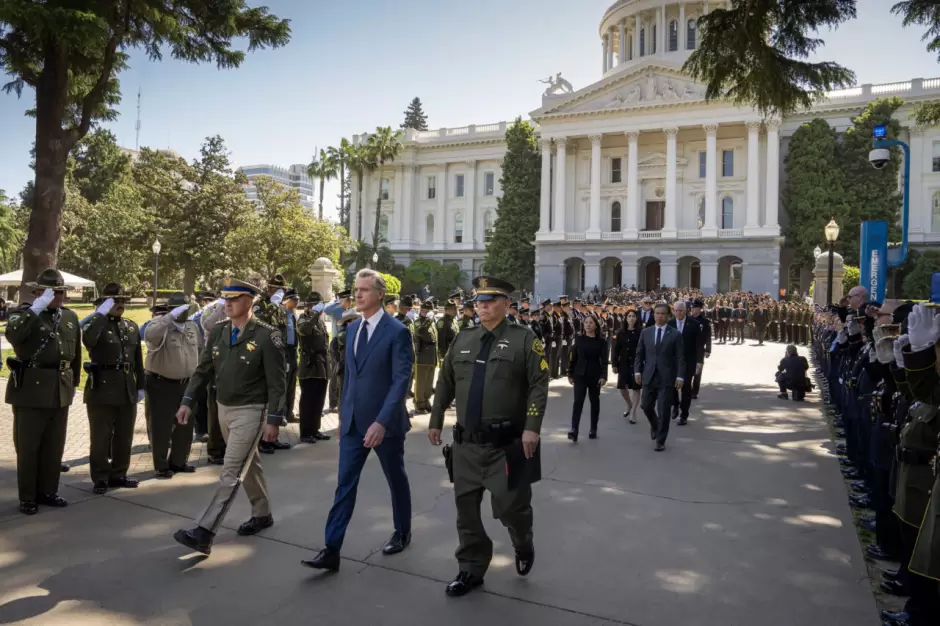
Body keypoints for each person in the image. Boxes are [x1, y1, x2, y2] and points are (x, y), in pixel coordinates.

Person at [428, 275, 549, 597]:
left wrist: (532, 427)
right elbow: (446, 381)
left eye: (490, 301)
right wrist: (436, 419)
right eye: (479, 301)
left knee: (512, 508)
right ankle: (471, 567)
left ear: (506, 304)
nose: (482, 306)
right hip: (466, 446)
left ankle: (523, 542)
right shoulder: (463, 338)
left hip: (505, 446)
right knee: (466, 512)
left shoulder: (524, 339)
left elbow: (539, 384)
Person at [302, 269, 414, 572]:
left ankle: (402, 531)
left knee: (396, 478)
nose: (358, 294)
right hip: (352, 424)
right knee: (344, 485)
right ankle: (332, 548)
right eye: (356, 289)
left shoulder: (397, 331)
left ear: (380, 294)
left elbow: (400, 381)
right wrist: (343, 415)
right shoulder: (351, 329)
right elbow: (350, 378)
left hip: (385, 425)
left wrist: (382, 422)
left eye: (365, 289)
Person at [172, 278, 287, 556]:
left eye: (234, 298)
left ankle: (205, 531)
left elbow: (277, 382)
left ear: (250, 301)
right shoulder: (219, 331)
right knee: (249, 463)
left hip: (251, 410)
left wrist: (273, 419)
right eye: (225, 298)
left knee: (231, 469)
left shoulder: (266, 335)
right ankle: (262, 513)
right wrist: (187, 401)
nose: (227, 303)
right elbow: (203, 370)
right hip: (223, 407)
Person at [6, 268, 82, 515]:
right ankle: (28, 497)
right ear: (39, 292)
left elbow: (75, 355)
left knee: (54, 446)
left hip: (60, 388)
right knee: (29, 448)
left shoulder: (69, 317)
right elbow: (13, 335)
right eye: (53, 292)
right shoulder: (23, 314)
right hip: (31, 389)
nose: (59, 296)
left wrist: (73, 383)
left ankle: (48, 491)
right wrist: (35, 309)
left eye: (61, 292)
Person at [82, 283, 145, 494]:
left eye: (122, 301)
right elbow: (89, 340)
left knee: (124, 436)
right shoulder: (95, 324)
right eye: (115, 301)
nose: (120, 305)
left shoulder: (131, 326)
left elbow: (138, 360)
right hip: (102, 386)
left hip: (126, 387)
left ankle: (119, 473)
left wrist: (140, 385)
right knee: (101, 436)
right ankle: (100, 476)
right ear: (104, 303)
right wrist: (100, 315)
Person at [144, 292, 201, 478]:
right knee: (162, 426)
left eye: (186, 309)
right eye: (179, 309)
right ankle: (161, 465)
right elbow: (150, 336)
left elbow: (199, 349)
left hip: (187, 383)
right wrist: (169, 317)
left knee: (185, 424)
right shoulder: (159, 325)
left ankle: (178, 461)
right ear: (171, 309)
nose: (183, 313)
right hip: (162, 383)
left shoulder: (192, 326)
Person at [634, 303, 685, 451]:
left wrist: (680, 376)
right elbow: (639, 354)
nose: (660, 316)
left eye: (663, 313)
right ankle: (655, 425)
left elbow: (680, 358)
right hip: (649, 375)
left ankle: (660, 440)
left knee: (663, 410)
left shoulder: (675, 334)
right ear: (653, 314)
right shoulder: (646, 332)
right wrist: (637, 371)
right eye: (657, 313)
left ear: (668, 315)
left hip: (666, 377)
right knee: (645, 405)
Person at [567, 314, 608, 442]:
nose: (588, 325)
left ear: (596, 325)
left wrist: (603, 376)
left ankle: (593, 428)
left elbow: (604, 361)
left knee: (594, 402)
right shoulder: (579, 339)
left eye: (591, 323)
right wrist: (570, 373)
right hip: (580, 374)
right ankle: (574, 430)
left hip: (595, 375)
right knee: (578, 402)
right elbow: (573, 357)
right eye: (586, 323)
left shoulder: (601, 342)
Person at [297, 291, 331, 444]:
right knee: (308, 401)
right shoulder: (303, 319)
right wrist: (315, 314)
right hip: (309, 365)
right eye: (316, 305)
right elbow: (304, 330)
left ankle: (315, 429)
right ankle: (305, 432)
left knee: (319, 400)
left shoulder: (320, 322)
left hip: (321, 365)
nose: (320, 309)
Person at [668, 302, 704, 425]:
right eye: (676, 311)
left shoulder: (694, 324)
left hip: (689, 361)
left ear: (686, 311)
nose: (679, 313)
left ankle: (684, 414)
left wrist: (699, 361)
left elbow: (699, 345)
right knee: (672, 386)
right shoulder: (670, 324)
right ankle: (675, 404)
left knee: (686, 388)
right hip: (673, 362)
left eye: (681, 311)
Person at [323, 290, 352, 413]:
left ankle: (341, 400)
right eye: (348, 299)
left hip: (345, 342)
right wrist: (337, 302)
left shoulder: (348, 311)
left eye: (350, 299)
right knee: (336, 371)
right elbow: (326, 310)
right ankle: (333, 403)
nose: (350, 301)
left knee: (344, 373)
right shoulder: (337, 309)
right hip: (336, 342)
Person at [612, 308, 642, 423]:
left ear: (636, 318)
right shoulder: (620, 332)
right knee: (622, 388)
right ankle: (629, 404)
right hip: (623, 363)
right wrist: (614, 363)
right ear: (626, 318)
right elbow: (615, 349)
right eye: (629, 316)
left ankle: (633, 412)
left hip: (636, 363)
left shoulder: (641, 332)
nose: (631, 318)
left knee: (636, 387)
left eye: (633, 316)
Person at [413, 300, 438, 414]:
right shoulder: (419, 322)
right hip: (422, 356)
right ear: (421, 311)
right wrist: (427, 320)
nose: (427, 313)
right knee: (421, 383)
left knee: (429, 382)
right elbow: (420, 333)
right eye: (425, 311)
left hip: (432, 356)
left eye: (429, 311)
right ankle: (419, 404)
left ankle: (426, 401)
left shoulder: (432, 322)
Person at [282, 288, 301, 423]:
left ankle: (290, 413)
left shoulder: (294, 315)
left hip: (293, 351)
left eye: (298, 299)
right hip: (285, 352)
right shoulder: (282, 315)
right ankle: (282, 413)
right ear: (287, 300)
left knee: (292, 384)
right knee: (284, 384)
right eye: (294, 299)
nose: (297, 302)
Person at [690, 299, 712, 399]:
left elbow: (708, 336)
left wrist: (708, 349)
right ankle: (688, 389)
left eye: (695, 307)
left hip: (699, 349)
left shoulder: (705, 321)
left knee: (698, 371)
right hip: (688, 348)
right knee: (688, 370)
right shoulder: (687, 319)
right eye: (692, 307)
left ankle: (695, 391)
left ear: (700, 309)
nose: (693, 309)